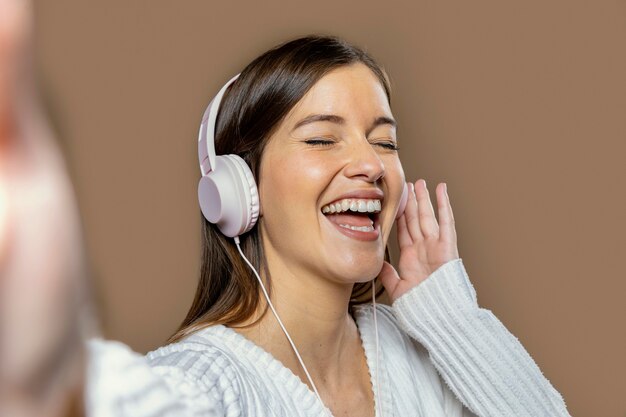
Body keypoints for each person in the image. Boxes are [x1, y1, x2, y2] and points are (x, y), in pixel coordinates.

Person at [0, 1, 571, 416]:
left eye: (385, 141)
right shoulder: (210, 384)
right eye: (322, 139)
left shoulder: (430, 348)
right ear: (238, 188)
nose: (370, 165)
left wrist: (452, 318)